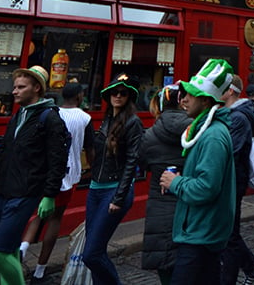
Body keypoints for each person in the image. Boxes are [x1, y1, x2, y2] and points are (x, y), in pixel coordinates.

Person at [0, 66, 68, 285]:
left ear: (37, 88)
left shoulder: (50, 118)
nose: (14, 91)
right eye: (15, 87)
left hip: (25, 193)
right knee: (9, 251)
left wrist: (50, 195)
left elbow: (58, 161)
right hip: (4, 193)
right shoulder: (17, 117)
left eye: (21, 87)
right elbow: (2, 157)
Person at [160, 59, 236, 284]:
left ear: (204, 101)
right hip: (201, 231)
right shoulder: (207, 131)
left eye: (190, 95)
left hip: (201, 234)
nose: (183, 99)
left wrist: (176, 183)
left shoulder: (212, 136)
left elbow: (207, 188)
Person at [20, 82, 92, 283]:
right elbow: (91, 148)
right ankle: (40, 270)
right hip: (67, 175)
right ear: (79, 96)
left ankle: (22, 248)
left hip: (44, 172)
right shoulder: (85, 118)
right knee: (55, 218)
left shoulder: (50, 113)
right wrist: (94, 170)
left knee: (40, 214)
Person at [82, 73, 144, 285]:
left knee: (91, 253)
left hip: (114, 189)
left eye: (123, 93)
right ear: (108, 95)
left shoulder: (133, 123)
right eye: (115, 92)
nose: (118, 96)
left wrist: (119, 197)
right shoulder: (106, 120)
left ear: (129, 97)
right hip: (95, 189)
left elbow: (131, 162)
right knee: (93, 250)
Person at [139, 84, 191, 285]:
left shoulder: (150, 134)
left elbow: (142, 162)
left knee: (164, 262)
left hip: (159, 202)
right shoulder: (195, 128)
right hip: (188, 200)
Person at [220, 75, 254, 285]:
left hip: (233, 181)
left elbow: (231, 151)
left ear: (230, 91)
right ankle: (252, 269)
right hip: (231, 180)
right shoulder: (231, 114)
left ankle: (249, 270)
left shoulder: (238, 117)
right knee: (228, 234)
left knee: (230, 235)